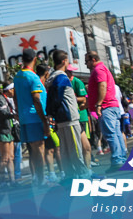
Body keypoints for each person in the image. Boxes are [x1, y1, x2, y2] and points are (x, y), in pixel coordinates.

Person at [45, 50, 89, 180]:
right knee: (75, 150)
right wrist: (53, 110)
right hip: (69, 117)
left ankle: (70, 175)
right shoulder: (61, 77)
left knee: (65, 151)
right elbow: (58, 96)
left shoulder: (53, 77)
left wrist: (51, 112)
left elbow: (52, 98)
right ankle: (83, 174)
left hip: (61, 118)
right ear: (64, 61)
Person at [85, 51, 126, 172]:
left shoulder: (99, 70)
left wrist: (98, 104)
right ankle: (121, 158)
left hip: (106, 106)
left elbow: (102, 86)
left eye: (86, 61)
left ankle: (117, 159)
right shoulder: (102, 69)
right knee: (116, 133)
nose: (85, 64)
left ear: (93, 59)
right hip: (111, 105)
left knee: (111, 134)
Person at [13, 49, 49, 185]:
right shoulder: (33, 77)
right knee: (39, 149)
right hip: (34, 117)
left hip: (24, 117)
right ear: (35, 59)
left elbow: (15, 97)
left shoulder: (17, 76)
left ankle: (36, 179)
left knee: (33, 150)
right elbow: (36, 99)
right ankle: (42, 179)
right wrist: (44, 121)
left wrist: (18, 111)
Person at [65, 63, 93, 168]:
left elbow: (84, 99)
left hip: (81, 116)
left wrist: (72, 98)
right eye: (68, 71)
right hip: (69, 118)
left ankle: (88, 167)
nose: (70, 73)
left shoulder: (77, 82)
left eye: (71, 71)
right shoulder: (64, 82)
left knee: (85, 145)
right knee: (76, 146)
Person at [0, 83, 17, 185]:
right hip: (2, 130)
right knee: (4, 158)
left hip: (9, 129)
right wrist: (14, 115)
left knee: (11, 157)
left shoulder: (6, 98)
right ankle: (2, 180)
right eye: (13, 89)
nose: (14, 91)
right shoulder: (0, 99)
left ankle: (12, 180)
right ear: (9, 90)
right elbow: (3, 113)